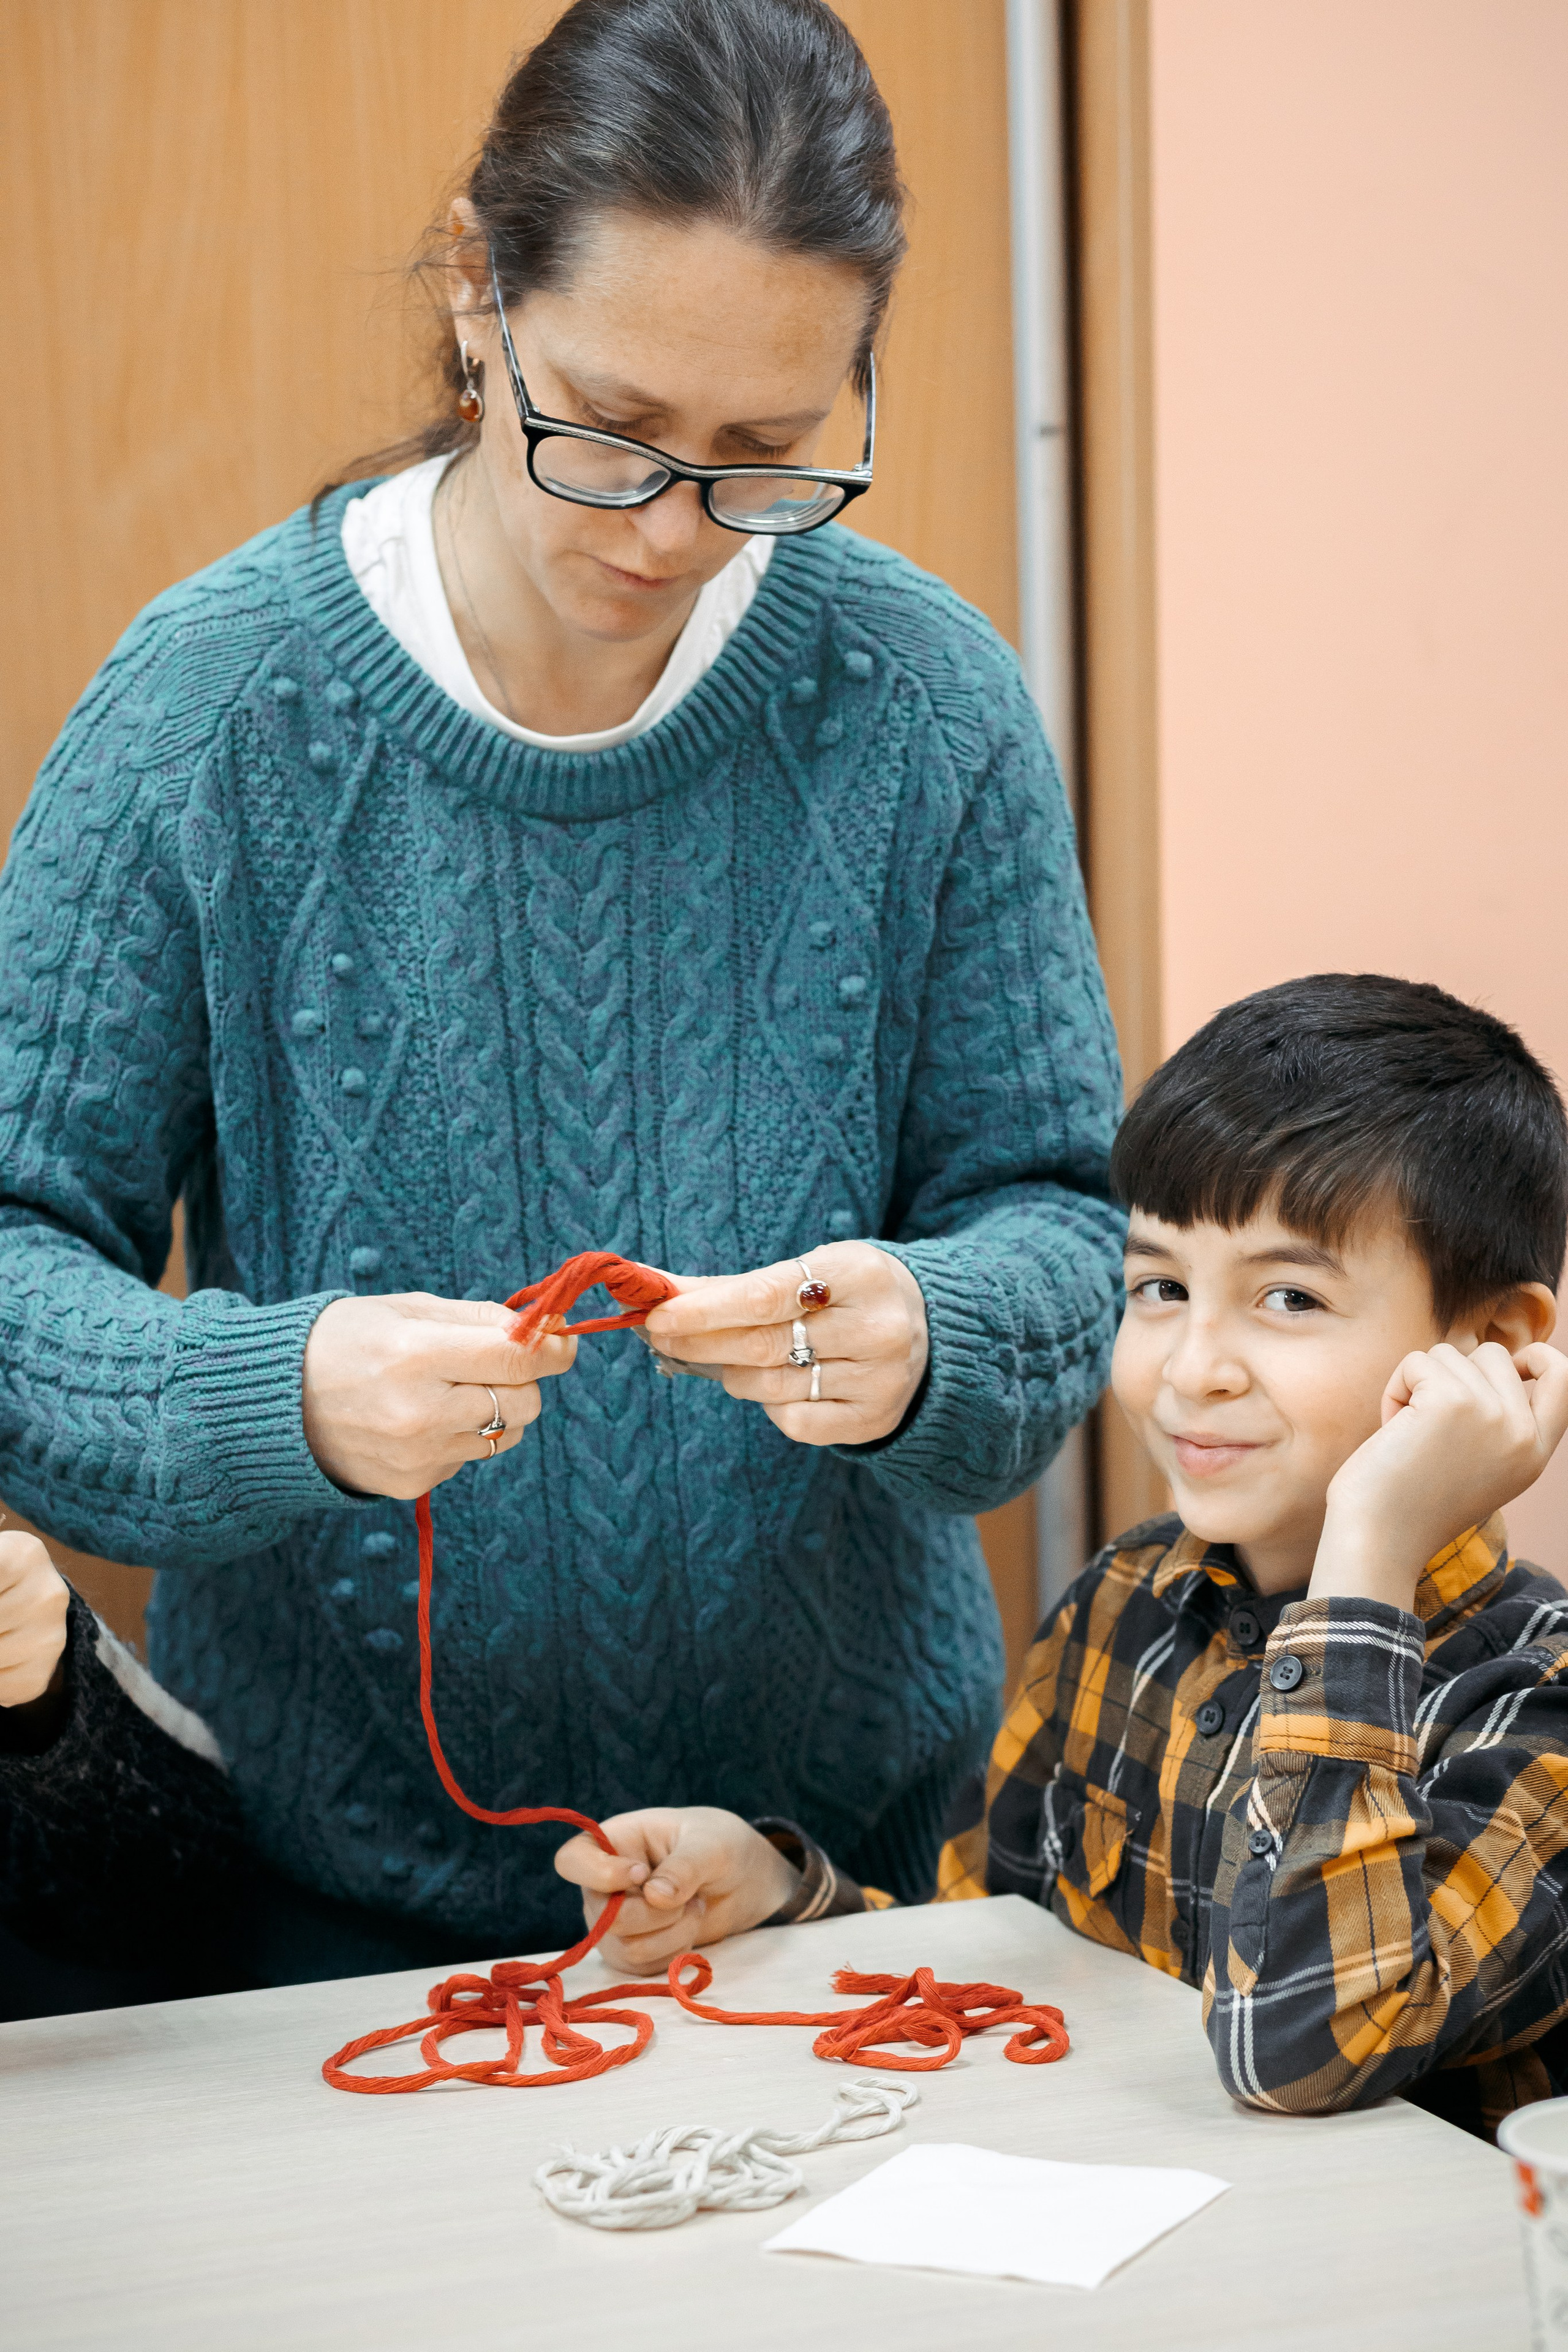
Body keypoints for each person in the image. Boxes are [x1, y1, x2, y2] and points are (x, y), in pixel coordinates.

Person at [0, 0, 1122, 1994]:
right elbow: (17, 1265)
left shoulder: (929, 705)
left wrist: (933, 1337)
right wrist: (279, 1398)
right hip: (314, 1915)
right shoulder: (207, 711)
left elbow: (1059, 1231)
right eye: (601, 426)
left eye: (766, 454)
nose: (666, 528)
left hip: (833, 1889)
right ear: (473, 294)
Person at [554, 974, 1568, 2141]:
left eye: (1289, 1297)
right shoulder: (1121, 1605)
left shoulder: (1532, 1707)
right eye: (1161, 1288)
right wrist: (784, 1894)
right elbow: (992, 1957)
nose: (1194, 1368)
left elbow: (1305, 2051)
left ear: (1491, 1344)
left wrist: (1374, 1542)